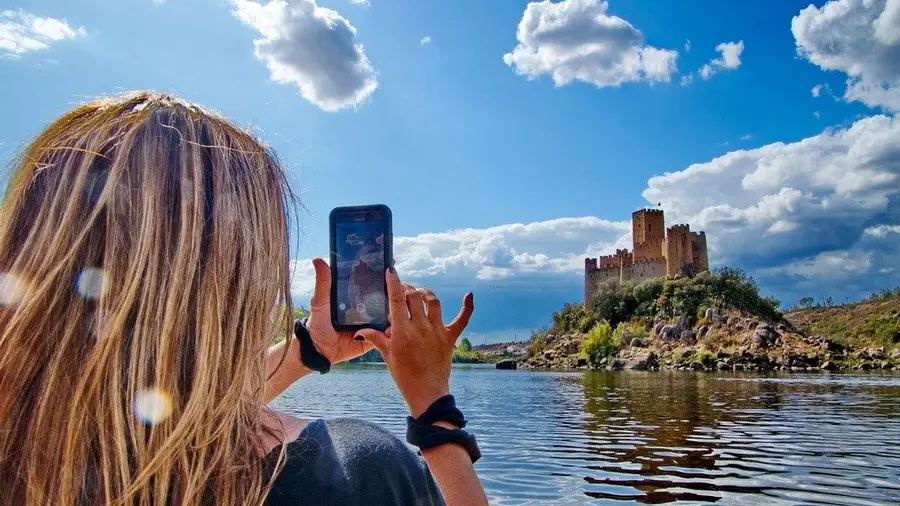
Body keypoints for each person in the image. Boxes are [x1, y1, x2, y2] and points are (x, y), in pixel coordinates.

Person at [0, 92, 489, 506]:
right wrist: (433, 408)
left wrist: (307, 351)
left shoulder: (27, 450)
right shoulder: (355, 473)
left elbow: (161, 415)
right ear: (238, 279)